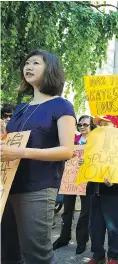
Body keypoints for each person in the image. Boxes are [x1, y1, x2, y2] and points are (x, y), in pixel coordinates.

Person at [0, 49, 76, 264]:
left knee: (37, 256)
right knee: (8, 254)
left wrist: (21, 152)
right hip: (8, 187)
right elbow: (11, 144)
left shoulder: (61, 105)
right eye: (26, 63)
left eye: (35, 63)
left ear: (50, 69)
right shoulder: (21, 109)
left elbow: (67, 150)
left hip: (38, 189)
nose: (28, 67)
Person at [87, 115, 118, 264]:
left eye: (107, 124)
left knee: (114, 227)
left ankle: (113, 257)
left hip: (115, 193)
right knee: (95, 226)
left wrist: (115, 181)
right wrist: (84, 162)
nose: (103, 126)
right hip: (95, 191)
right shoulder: (93, 144)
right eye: (101, 124)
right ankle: (97, 254)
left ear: (115, 126)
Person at [53, 115, 96, 254]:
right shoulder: (73, 140)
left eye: (85, 125)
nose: (82, 127)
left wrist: (88, 160)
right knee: (67, 210)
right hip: (70, 178)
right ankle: (63, 238)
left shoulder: (96, 141)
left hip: (88, 180)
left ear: (92, 126)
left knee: (85, 212)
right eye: (80, 125)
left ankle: (81, 241)